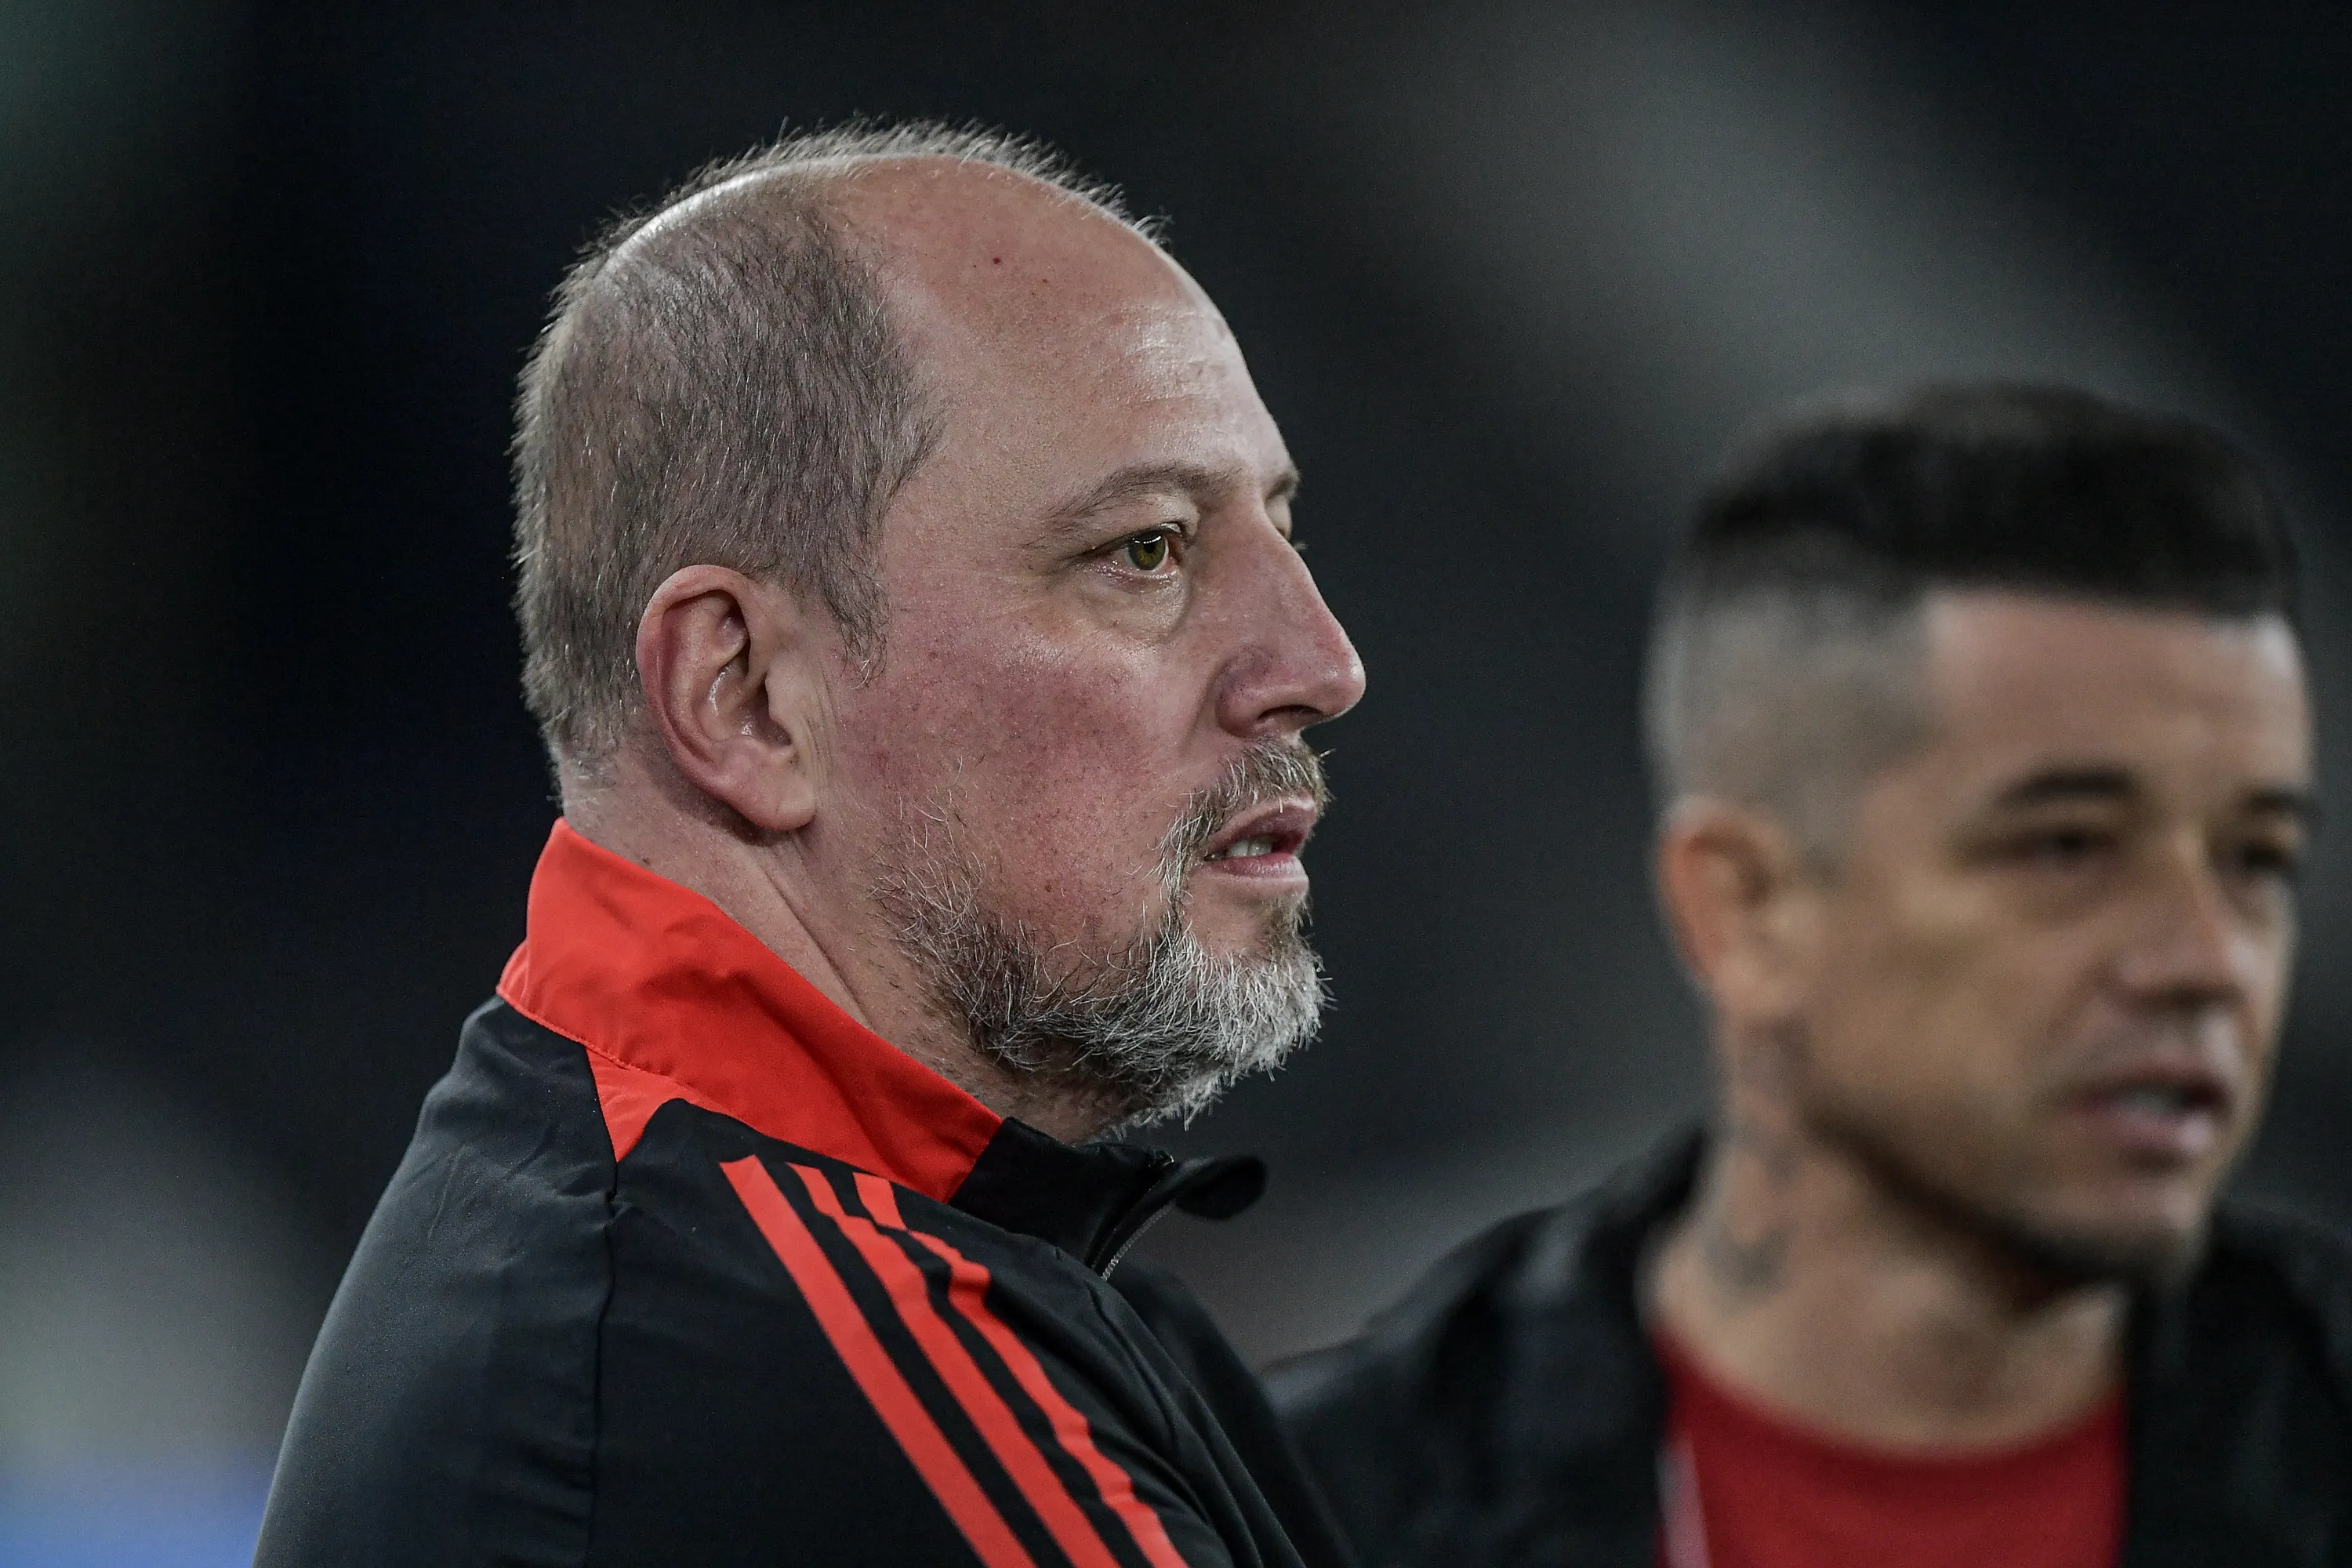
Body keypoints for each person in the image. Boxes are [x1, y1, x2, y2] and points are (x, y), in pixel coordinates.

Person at [255, 122, 1363, 1568]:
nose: (1319, 662)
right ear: (748, 699)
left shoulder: (691, 1235)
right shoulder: (805, 1363)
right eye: (1146, 550)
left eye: (1282, 528)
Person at [1270, 385, 2352, 1566]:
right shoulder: (1305, 1522)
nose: (2204, 961)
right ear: (1745, 909)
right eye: (2068, 847)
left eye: (2257, 861)